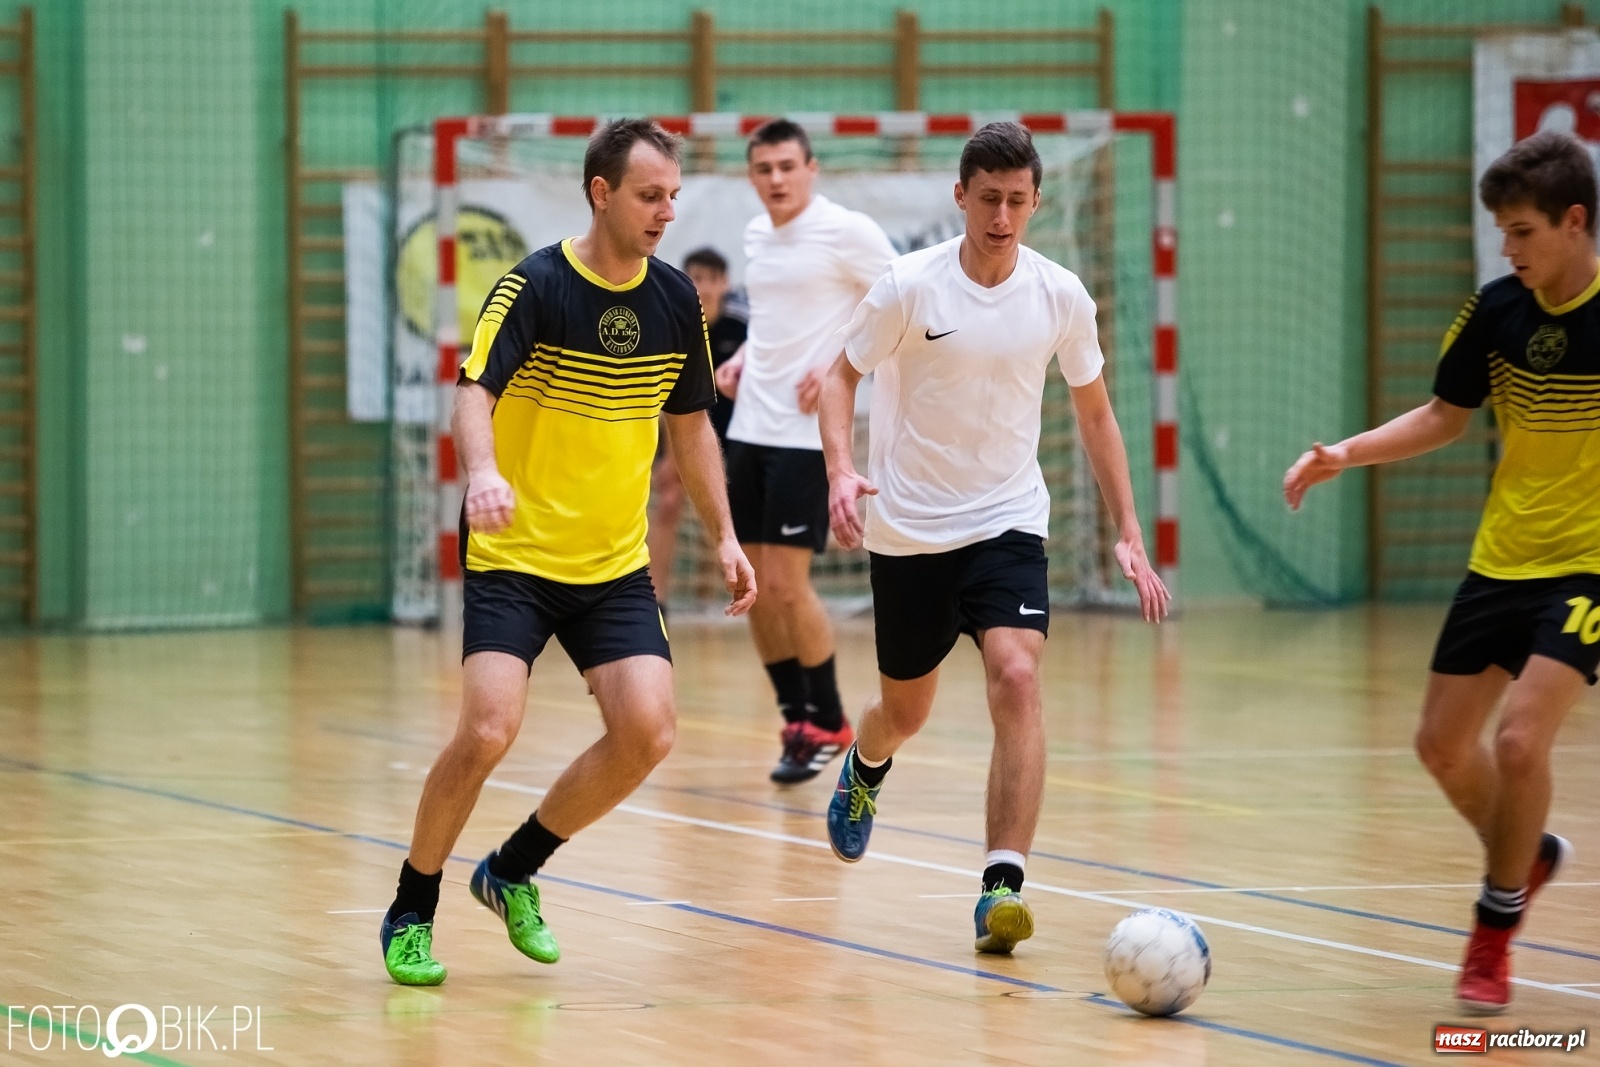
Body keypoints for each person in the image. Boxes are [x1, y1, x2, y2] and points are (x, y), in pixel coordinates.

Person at [378, 118, 757, 987]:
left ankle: (511, 869)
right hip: (517, 552)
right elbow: (475, 393)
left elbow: (691, 428)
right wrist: (481, 475)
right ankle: (411, 905)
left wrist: (726, 537)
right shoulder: (534, 286)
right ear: (601, 192)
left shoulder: (673, 302)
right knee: (486, 728)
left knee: (647, 732)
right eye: (648, 194)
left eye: (673, 196)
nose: (665, 211)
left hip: (612, 563)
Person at [818, 122, 1169, 955]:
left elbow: (1094, 411)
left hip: (1008, 519)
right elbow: (840, 376)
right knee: (906, 709)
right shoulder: (909, 287)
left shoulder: (1060, 296)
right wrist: (839, 468)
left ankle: (1001, 887)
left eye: (1017, 201)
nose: (1002, 215)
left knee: (1017, 673)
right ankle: (866, 766)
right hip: (908, 528)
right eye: (988, 199)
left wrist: (1129, 529)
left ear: (1036, 202)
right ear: (960, 197)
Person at [1284, 129, 1597, 1014]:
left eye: (1524, 230)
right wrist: (1342, 452)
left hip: (1589, 570)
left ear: (1576, 223)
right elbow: (1441, 416)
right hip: (1502, 558)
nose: (1509, 247)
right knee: (1440, 746)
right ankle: (1526, 854)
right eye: (1502, 230)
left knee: (1520, 740)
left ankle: (1494, 924)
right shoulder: (1497, 309)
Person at [716, 119, 898, 784]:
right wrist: (739, 358)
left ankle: (831, 718)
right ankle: (799, 720)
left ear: (812, 168)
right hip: (751, 429)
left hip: (802, 438)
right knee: (751, 585)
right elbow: (776, 323)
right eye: (764, 168)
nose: (776, 179)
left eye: (787, 166)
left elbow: (898, 304)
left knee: (790, 587)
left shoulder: (847, 231)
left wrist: (837, 364)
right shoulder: (759, 235)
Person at [646, 247, 747, 607]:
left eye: (710, 279)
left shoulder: (742, 329)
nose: (702, 287)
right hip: (684, 433)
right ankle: (656, 599)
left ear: (725, 284)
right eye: (695, 279)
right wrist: (671, 459)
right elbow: (666, 400)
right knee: (669, 501)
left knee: (740, 517)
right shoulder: (675, 324)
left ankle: (749, 591)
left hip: (737, 438)